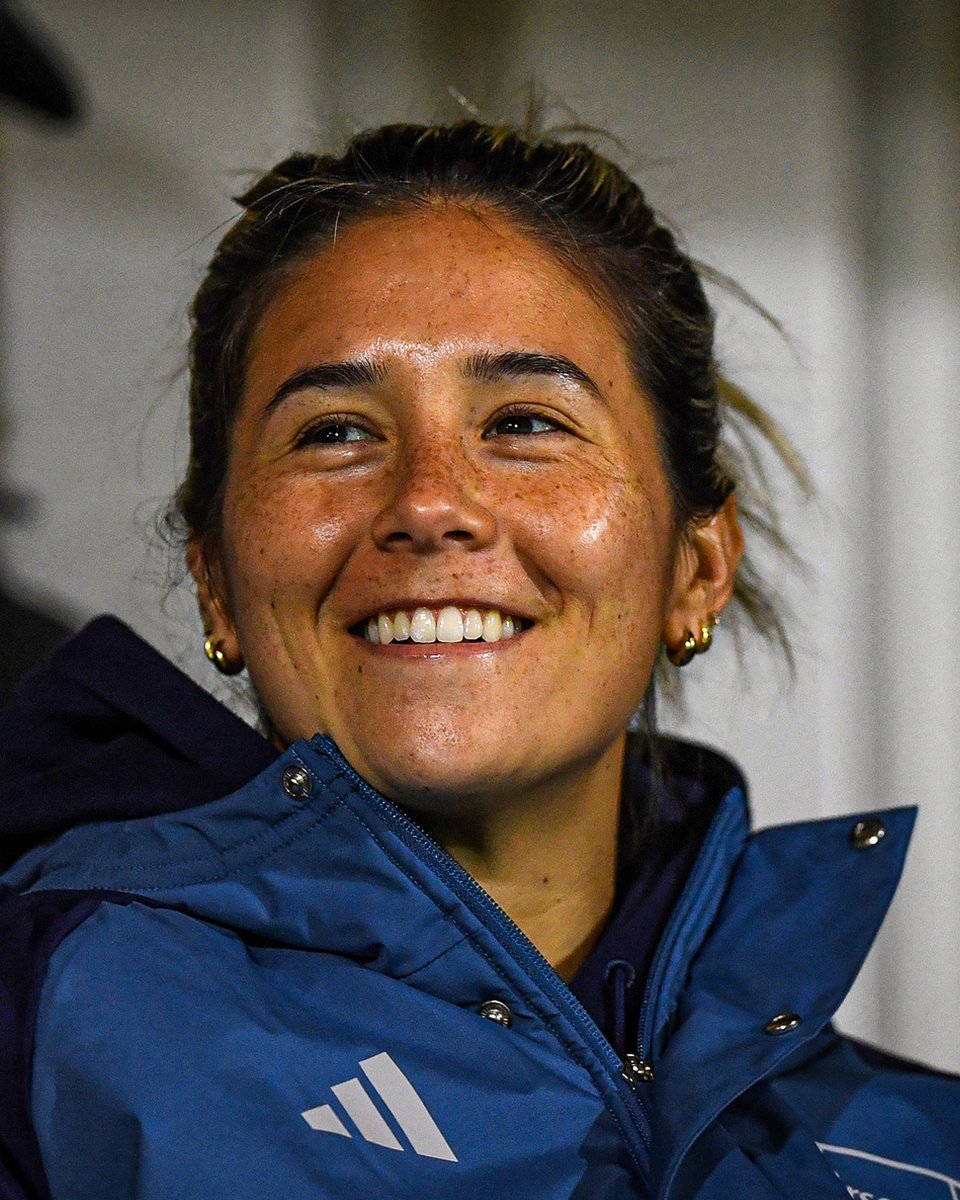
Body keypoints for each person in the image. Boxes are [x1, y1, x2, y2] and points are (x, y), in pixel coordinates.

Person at [0, 120, 956, 1200]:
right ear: (217, 578)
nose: (427, 504)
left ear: (696, 568)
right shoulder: (37, 1035)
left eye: (527, 422)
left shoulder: (930, 1151)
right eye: (333, 432)